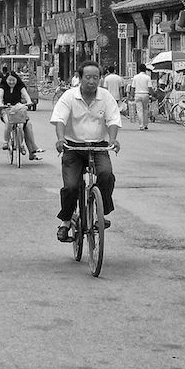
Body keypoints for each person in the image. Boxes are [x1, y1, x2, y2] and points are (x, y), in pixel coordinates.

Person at [51, 60, 121, 243]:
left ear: (100, 78)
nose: (92, 81)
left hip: (98, 146)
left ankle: (101, 212)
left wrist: (113, 140)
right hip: (73, 147)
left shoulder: (105, 97)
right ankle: (66, 222)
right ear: (79, 78)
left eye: (95, 77)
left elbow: (113, 120)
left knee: (106, 174)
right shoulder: (69, 96)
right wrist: (60, 138)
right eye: (88, 77)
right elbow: (60, 119)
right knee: (71, 186)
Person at [0, 71, 42, 161]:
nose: (11, 82)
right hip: (7, 109)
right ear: (6, 80)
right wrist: (0, 104)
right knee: (8, 122)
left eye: (13, 80)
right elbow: (0, 97)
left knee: (25, 125)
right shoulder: (2, 87)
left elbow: (26, 95)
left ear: (17, 80)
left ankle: (24, 146)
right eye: (9, 80)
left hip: (19, 109)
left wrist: (29, 102)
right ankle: (6, 142)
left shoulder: (20, 86)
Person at [131, 63, 153, 130]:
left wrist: (131, 96)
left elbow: (133, 88)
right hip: (145, 94)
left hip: (137, 94)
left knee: (139, 110)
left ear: (139, 69)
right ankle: (145, 124)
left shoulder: (135, 77)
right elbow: (150, 88)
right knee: (145, 110)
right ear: (145, 70)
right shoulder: (147, 77)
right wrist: (152, 95)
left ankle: (141, 125)